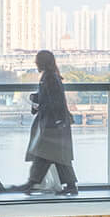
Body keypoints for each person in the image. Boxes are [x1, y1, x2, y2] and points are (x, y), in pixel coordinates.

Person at [19, 49, 79, 196]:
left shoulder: (49, 78)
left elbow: (54, 101)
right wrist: (37, 98)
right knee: (57, 156)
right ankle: (70, 185)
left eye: (37, 60)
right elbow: (52, 99)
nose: (35, 63)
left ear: (42, 62)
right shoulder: (50, 76)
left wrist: (38, 103)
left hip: (53, 124)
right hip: (56, 123)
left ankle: (32, 183)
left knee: (44, 155)